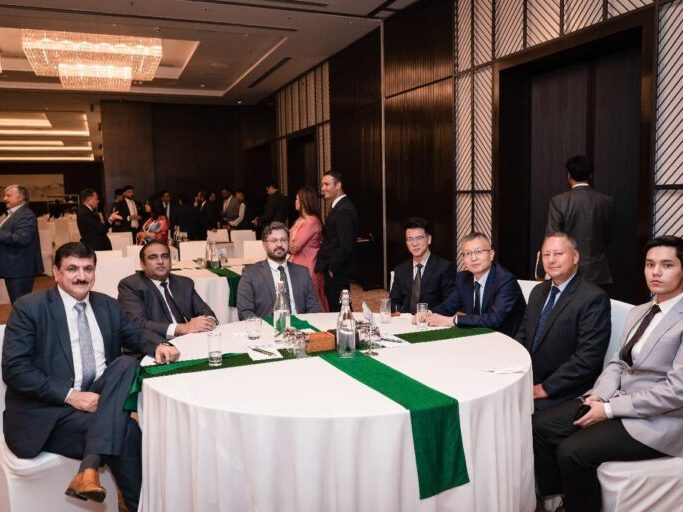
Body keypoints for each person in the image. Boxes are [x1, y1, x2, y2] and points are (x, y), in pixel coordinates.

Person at [1, 242, 179, 511]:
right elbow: (15, 369)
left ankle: (89, 471)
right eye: (72, 269)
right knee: (128, 432)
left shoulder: (106, 304)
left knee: (126, 364)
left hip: (98, 399)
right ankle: (138, 503)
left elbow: (135, 334)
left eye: (88, 269)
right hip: (49, 411)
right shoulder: (30, 307)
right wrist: (71, 396)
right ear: (56, 272)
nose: (81, 276)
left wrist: (158, 345)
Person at [532, 235, 683, 512]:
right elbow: (617, 363)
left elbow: (676, 392)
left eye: (667, 265)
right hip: (615, 399)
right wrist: (599, 396)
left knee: (571, 451)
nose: (656, 272)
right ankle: (557, 499)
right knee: (541, 425)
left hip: (660, 419)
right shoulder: (641, 311)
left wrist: (609, 409)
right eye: (650, 264)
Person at [516, 232, 611, 410]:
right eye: (546, 254)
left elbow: (587, 359)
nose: (551, 260)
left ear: (575, 257)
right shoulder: (538, 291)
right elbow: (523, 334)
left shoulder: (593, 298)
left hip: (562, 390)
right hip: (527, 378)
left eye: (558, 254)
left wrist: (545, 388)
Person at [426, 232, 525, 336]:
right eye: (468, 253)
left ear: (491, 255)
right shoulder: (463, 278)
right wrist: (428, 313)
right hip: (476, 335)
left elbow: (493, 320)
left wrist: (454, 320)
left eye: (478, 252)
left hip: (505, 338)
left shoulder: (505, 280)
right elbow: (448, 307)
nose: (473, 258)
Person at [118, 241, 217, 344]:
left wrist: (208, 321)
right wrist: (183, 328)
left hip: (191, 340)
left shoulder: (184, 283)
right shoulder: (131, 285)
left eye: (165, 256)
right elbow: (137, 324)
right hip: (156, 345)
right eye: (153, 257)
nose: (160, 261)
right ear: (142, 264)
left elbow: (203, 309)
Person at [546, 155, 615, 287]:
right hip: (599, 272)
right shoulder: (607, 201)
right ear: (590, 175)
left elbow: (552, 238)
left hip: (568, 271)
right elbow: (609, 236)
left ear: (569, 175)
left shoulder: (558, 201)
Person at [237, 222, 321, 320]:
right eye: (274, 241)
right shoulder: (250, 274)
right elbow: (245, 312)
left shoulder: (303, 273)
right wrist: (261, 327)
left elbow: (314, 308)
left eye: (283, 240)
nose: (279, 244)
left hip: (300, 326)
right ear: (264, 245)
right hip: (266, 327)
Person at [390, 217, 456, 314]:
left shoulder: (445, 267)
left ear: (429, 239)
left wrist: (427, 315)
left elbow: (450, 304)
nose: (414, 243)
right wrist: (405, 317)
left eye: (419, 238)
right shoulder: (400, 269)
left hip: (432, 320)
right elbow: (393, 302)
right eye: (409, 239)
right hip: (406, 320)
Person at [314, 171, 359, 312]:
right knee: (339, 307)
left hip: (338, 271)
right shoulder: (339, 207)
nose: (323, 188)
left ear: (338, 185)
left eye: (326, 184)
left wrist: (332, 268)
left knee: (339, 309)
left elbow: (346, 246)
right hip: (336, 270)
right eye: (322, 184)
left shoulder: (343, 209)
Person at [0, 184, 44, 302]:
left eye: (8, 195)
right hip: (14, 268)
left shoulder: (26, 214)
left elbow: (21, 238)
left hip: (20, 268)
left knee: (21, 304)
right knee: (19, 304)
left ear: (20, 198)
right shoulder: (15, 214)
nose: (4, 199)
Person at [289, 185, 328, 311]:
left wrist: (287, 242)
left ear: (304, 201)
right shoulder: (300, 220)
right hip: (299, 265)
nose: (295, 202)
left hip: (309, 267)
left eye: (297, 199)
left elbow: (295, 247)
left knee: (314, 301)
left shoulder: (311, 221)